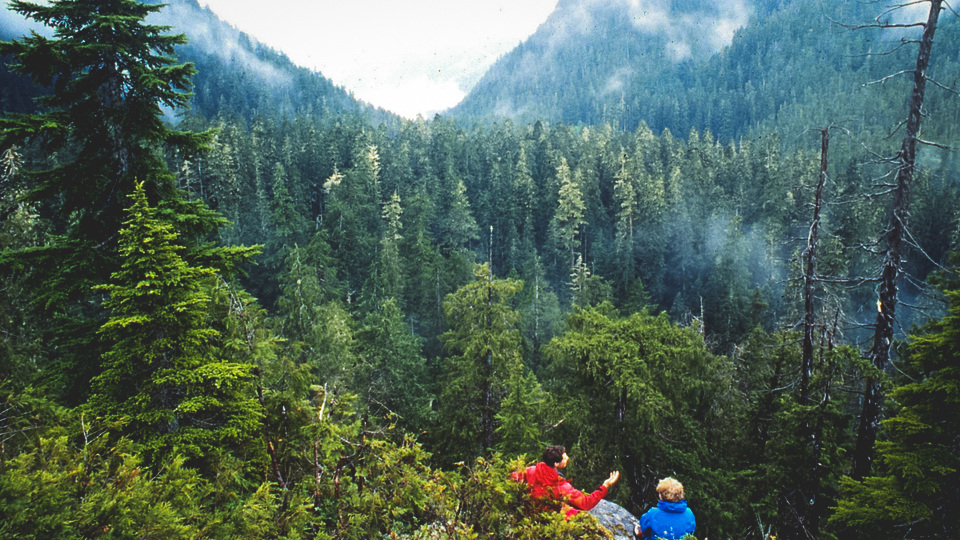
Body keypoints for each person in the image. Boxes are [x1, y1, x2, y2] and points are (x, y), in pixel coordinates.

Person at [513, 444, 620, 518]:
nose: (568, 458)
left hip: (530, 513)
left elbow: (512, 477)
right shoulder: (561, 487)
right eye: (564, 458)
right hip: (551, 520)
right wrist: (605, 485)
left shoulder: (531, 470)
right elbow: (586, 503)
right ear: (555, 463)